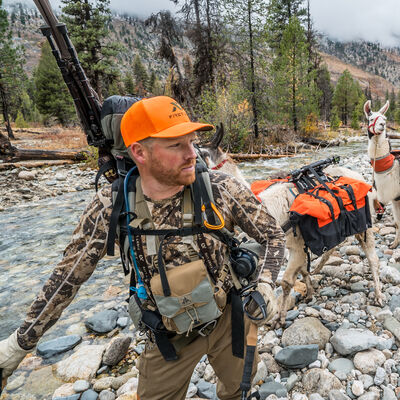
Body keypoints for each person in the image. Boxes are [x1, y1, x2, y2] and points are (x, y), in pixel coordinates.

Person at [0, 96, 285, 399]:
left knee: (238, 389)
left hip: (229, 319)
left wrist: (266, 284)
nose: (193, 154)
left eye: (192, 141)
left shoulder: (221, 189)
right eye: (176, 145)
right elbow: (67, 278)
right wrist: (20, 344)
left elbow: (273, 236)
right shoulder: (111, 207)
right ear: (139, 152)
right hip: (165, 337)